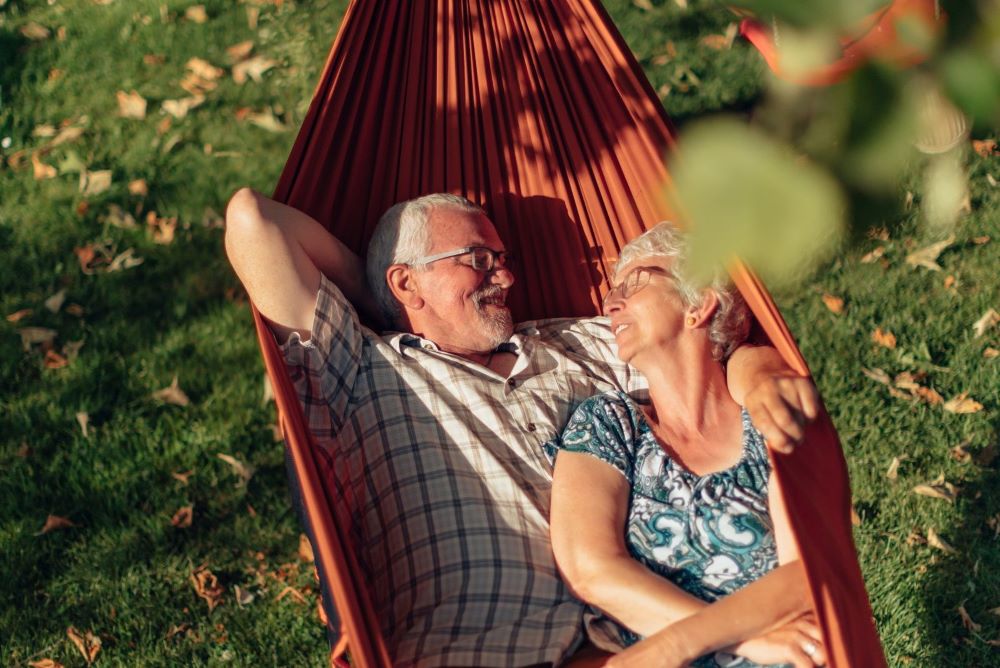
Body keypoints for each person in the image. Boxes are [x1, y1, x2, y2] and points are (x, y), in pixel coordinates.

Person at [223, 189, 819, 667]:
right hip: (474, 652)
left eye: (503, 260)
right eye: (478, 261)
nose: (504, 277)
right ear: (407, 282)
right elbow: (253, 221)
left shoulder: (575, 343)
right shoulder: (360, 369)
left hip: (625, 641)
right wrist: (383, 296)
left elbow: (700, 342)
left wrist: (762, 374)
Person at [548, 223, 824, 668]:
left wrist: (674, 646)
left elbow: (808, 572)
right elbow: (593, 569)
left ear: (698, 304)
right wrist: (744, 641)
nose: (610, 303)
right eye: (612, 290)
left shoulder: (767, 413)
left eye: (634, 282)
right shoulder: (607, 424)